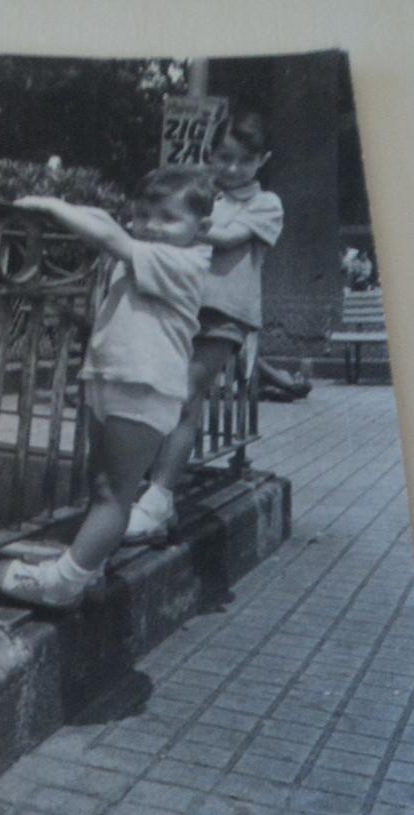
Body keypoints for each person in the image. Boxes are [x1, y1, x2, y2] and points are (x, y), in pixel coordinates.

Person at [0, 166, 216, 610]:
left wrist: (53, 207)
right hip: (112, 379)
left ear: (200, 229)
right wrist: (64, 205)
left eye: (167, 218)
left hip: (144, 386)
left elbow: (112, 237)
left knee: (114, 492)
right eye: (143, 215)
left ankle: (62, 583)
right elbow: (111, 225)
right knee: (102, 484)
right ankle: (89, 565)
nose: (150, 227)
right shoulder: (146, 249)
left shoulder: (185, 262)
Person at [124, 111, 286, 544]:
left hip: (225, 315)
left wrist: (173, 228)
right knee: (168, 397)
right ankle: (156, 494)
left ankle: (158, 497)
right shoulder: (199, 193)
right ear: (210, 155)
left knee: (182, 394)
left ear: (262, 160)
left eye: (244, 160)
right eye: (223, 157)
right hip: (180, 305)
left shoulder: (266, 204)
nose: (232, 169)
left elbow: (229, 238)